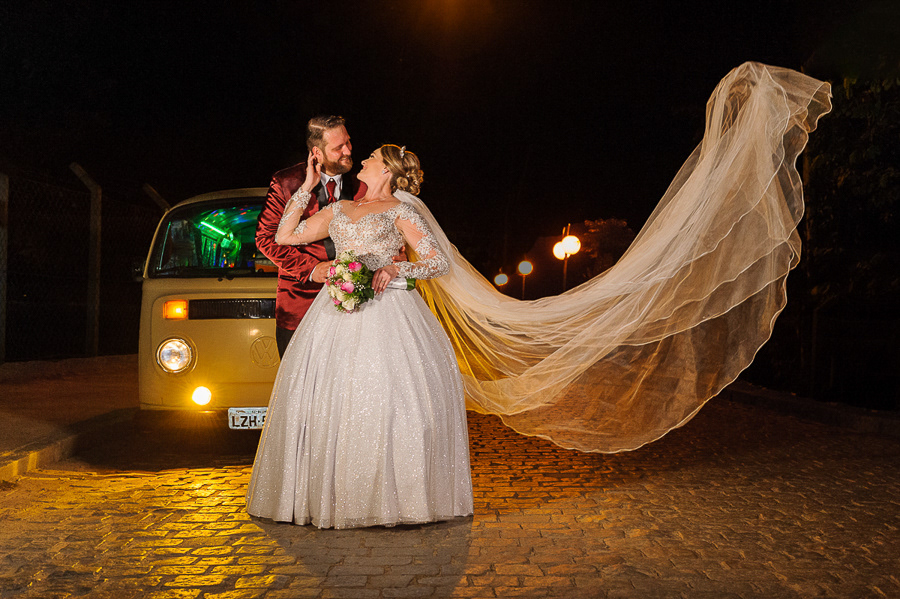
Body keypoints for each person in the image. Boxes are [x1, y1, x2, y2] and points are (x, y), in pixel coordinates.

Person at [247, 144, 474, 529]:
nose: (362, 160)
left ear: (385, 170)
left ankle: (396, 498)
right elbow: (285, 236)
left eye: (370, 157)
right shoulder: (340, 209)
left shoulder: (401, 211)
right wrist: (306, 186)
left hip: (390, 314)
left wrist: (395, 268)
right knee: (331, 399)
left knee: (390, 400)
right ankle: (335, 494)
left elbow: (438, 261)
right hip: (334, 312)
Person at [255, 115, 360, 357]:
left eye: (348, 142)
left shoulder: (362, 181)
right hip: (299, 305)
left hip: (355, 308)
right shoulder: (286, 182)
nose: (348, 150)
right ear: (317, 152)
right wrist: (313, 269)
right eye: (338, 147)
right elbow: (266, 238)